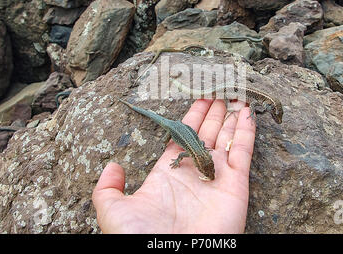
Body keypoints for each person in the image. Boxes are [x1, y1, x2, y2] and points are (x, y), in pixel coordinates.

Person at [92, 99, 256, 233]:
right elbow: (184, 153)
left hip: (182, 127)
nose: (209, 171)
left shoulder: (196, 153)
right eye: (207, 168)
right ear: (199, 162)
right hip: (173, 129)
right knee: (165, 136)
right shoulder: (191, 154)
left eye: (209, 168)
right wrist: (177, 160)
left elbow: (199, 145)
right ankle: (131, 105)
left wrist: (184, 160)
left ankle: (132, 105)